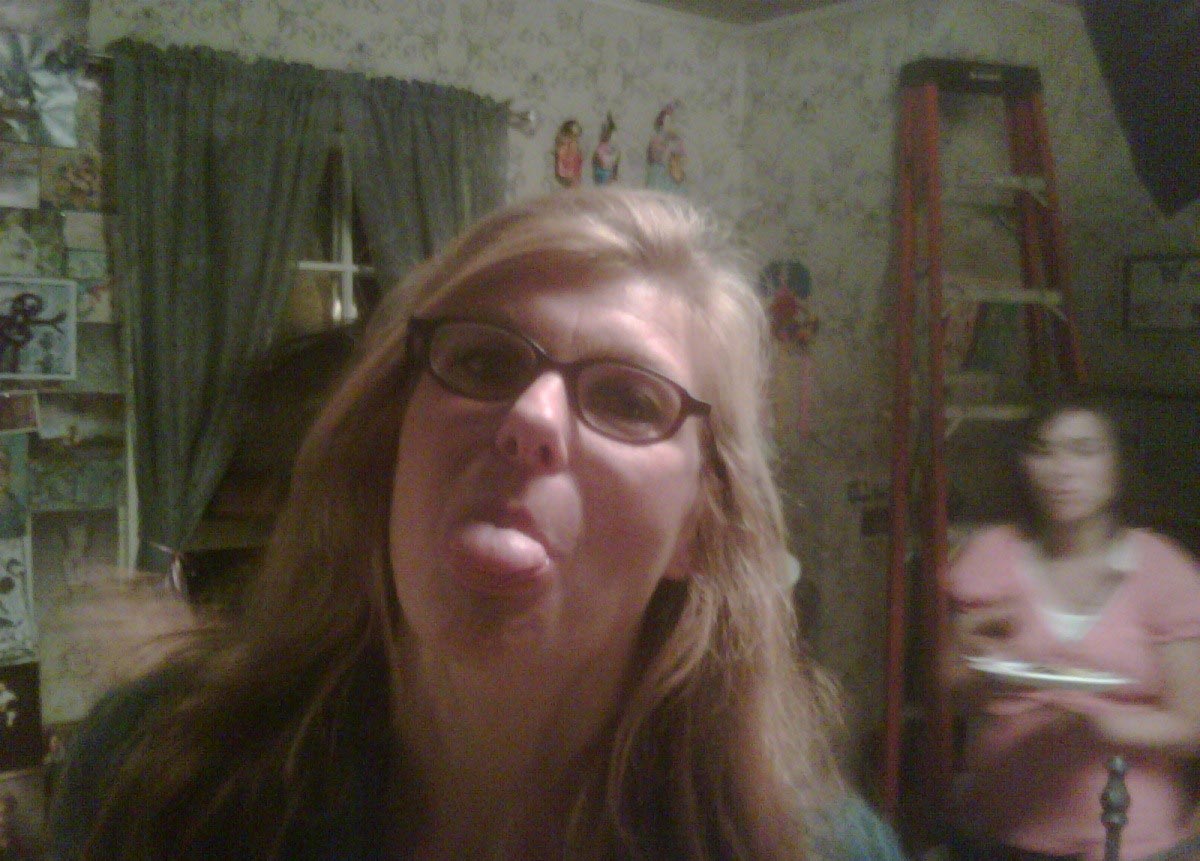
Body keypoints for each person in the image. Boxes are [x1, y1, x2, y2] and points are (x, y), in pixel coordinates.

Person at [49, 188, 904, 860]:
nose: (530, 416)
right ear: (393, 438)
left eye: (627, 398)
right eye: (486, 360)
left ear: (699, 528)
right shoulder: (153, 776)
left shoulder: (808, 850)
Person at [942, 389, 1200, 861]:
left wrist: (1100, 725)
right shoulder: (991, 555)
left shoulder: (1162, 570)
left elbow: (1192, 725)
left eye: (1084, 450)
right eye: (1043, 450)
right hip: (1004, 830)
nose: (1062, 470)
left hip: (1127, 839)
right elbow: (952, 690)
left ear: (1118, 465)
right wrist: (982, 670)